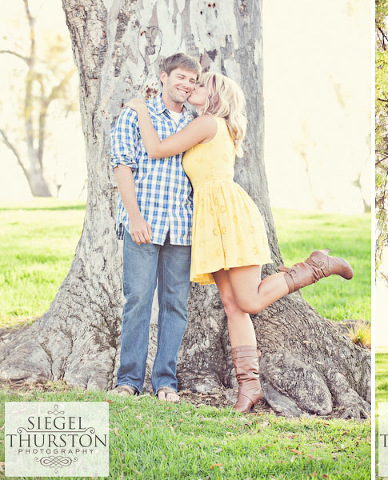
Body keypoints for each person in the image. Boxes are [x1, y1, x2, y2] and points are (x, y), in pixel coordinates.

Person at [126, 71, 353, 412]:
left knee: (248, 301)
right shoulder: (207, 124)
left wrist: (141, 110)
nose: (193, 87)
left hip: (228, 216)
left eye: (201, 85)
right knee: (233, 306)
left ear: (215, 95)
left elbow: (156, 149)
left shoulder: (208, 123)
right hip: (208, 221)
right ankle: (250, 387)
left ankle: (315, 266)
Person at [109, 52, 202, 402]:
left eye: (192, 80)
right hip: (143, 223)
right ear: (163, 76)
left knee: (175, 305)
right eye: (180, 77)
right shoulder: (137, 114)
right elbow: (122, 165)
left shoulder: (196, 122)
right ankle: (129, 380)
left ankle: (166, 381)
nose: (186, 84)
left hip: (181, 227)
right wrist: (134, 218)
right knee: (138, 301)